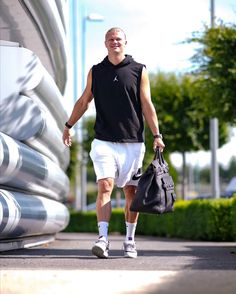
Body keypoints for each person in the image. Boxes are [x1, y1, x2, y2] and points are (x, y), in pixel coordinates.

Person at [63, 27, 165, 259]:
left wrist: (157, 135)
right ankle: (103, 239)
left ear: (125, 42)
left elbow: (147, 104)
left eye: (118, 39)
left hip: (133, 141)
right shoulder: (97, 71)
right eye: (110, 39)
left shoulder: (139, 70)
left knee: (131, 192)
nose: (114, 42)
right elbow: (84, 101)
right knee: (105, 186)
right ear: (105, 43)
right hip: (104, 141)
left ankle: (129, 240)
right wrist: (68, 125)